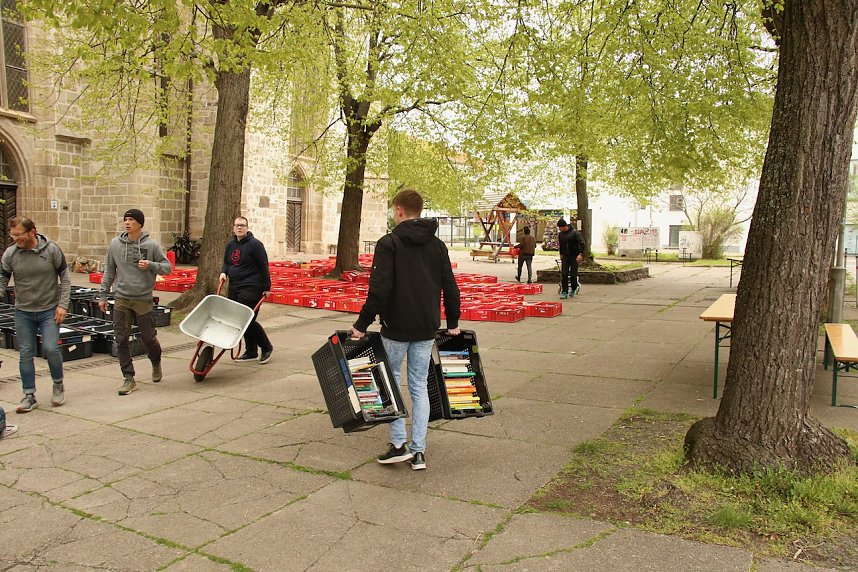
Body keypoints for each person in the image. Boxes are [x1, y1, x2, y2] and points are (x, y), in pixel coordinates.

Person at [350, 189, 461, 471]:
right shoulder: (437, 246)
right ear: (419, 210)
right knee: (419, 386)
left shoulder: (389, 243)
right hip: (426, 327)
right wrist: (453, 323)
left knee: (391, 382)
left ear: (398, 210)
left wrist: (361, 325)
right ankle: (418, 451)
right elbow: (450, 286)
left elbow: (379, 289)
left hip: (396, 328)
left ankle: (399, 444)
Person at [0, 217, 71, 413]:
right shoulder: (11, 254)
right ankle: (29, 395)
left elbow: (65, 278)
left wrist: (63, 305)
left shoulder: (51, 250)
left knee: (50, 348)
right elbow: (2, 280)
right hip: (23, 311)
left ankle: (58, 383)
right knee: (25, 353)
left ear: (32, 232)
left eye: (19, 234)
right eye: (13, 235)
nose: (15, 239)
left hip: (49, 310)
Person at [99, 209, 172, 395]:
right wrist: (103, 295)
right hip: (121, 297)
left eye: (131, 219)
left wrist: (151, 265)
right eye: (125, 219)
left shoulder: (151, 245)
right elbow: (109, 271)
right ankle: (129, 378)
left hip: (143, 298)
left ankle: (155, 361)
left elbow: (167, 268)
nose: (127, 222)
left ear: (140, 223)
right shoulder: (115, 244)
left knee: (148, 338)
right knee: (121, 338)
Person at [220, 216, 273, 364]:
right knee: (240, 321)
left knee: (246, 318)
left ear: (247, 227)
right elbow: (226, 262)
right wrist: (223, 272)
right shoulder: (230, 245)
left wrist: (267, 287)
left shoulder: (255, 245)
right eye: (237, 225)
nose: (239, 228)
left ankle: (266, 347)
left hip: (252, 286)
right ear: (233, 227)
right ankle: (251, 351)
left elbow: (263, 265)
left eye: (242, 225)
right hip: (234, 286)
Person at [557, 218, 585, 300]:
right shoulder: (561, 235)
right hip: (565, 256)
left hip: (574, 256)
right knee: (564, 274)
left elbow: (582, 243)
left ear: (564, 226)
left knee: (573, 274)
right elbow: (561, 245)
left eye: (560, 228)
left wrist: (580, 254)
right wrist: (561, 253)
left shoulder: (575, 233)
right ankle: (564, 291)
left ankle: (573, 288)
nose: (560, 229)